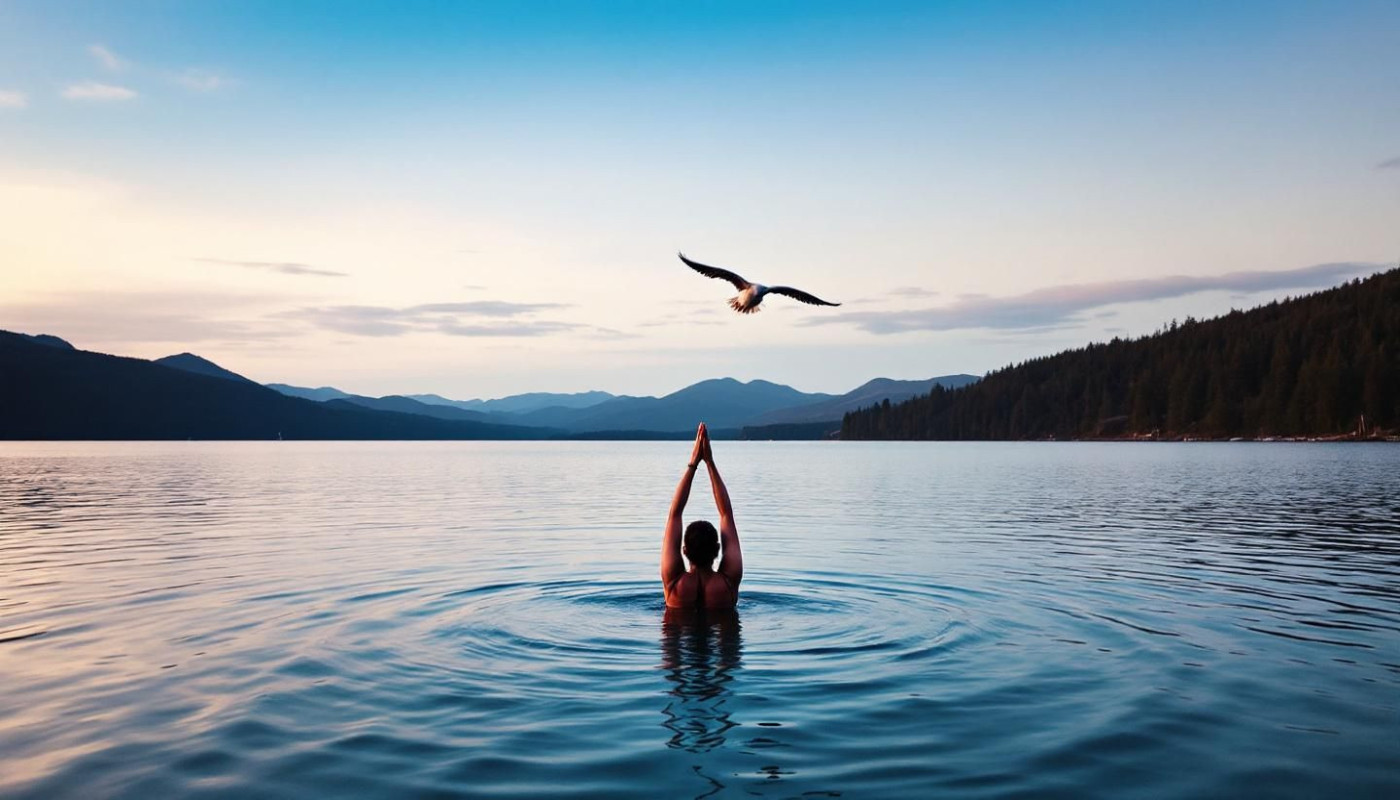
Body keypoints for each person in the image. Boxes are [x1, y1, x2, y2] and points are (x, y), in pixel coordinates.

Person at [661, 423, 742, 610]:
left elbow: (675, 514)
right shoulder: (728, 584)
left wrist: (693, 464)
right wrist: (710, 462)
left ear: (684, 550)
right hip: (725, 634)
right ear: (717, 549)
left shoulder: (673, 584)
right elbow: (726, 515)